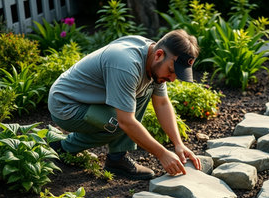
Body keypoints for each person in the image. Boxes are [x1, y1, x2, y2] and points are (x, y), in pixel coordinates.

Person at [48, 29, 201, 180]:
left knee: (146, 90)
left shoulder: (153, 58)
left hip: (91, 100)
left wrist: (178, 144)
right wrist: (162, 154)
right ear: (159, 55)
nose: (172, 79)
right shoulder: (126, 64)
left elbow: (161, 103)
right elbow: (126, 122)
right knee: (117, 123)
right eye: (171, 71)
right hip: (67, 105)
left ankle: (117, 158)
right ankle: (64, 147)